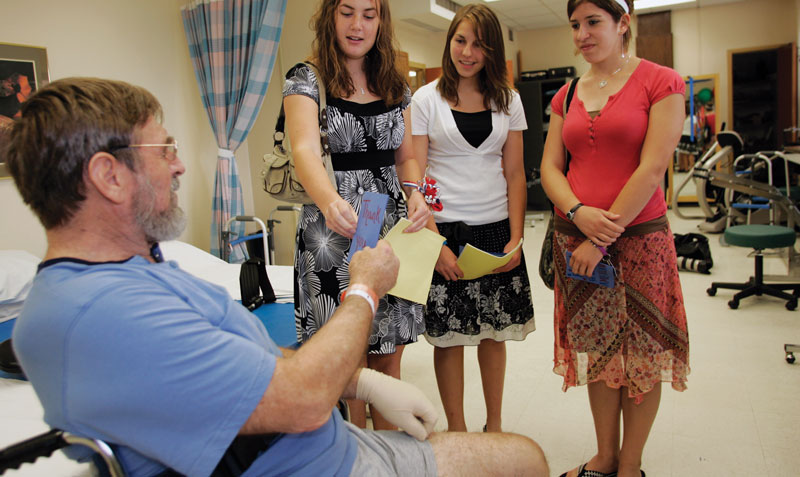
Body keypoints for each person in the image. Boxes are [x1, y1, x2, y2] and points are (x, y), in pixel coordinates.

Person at [6, 77, 549, 477]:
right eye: (165, 149)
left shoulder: (143, 272)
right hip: (311, 465)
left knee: (521, 455)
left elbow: (248, 365)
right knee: (523, 462)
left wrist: (361, 381)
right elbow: (304, 399)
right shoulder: (100, 314)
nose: (179, 165)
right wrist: (363, 288)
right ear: (109, 176)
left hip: (325, 446)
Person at [540, 0, 690, 477]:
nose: (582, 34)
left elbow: (651, 169)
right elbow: (550, 169)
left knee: (643, 356)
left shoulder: (661, 81)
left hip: (640, 242)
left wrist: (600, 237)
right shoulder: (566, 94)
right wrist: (578, 212)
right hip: (575, 240)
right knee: (600, 351)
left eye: (594, 22)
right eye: (575, 25)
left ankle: (631, 466)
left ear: (623, 24)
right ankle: (604, 458)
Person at [283, 0, 430, 429]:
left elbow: (406, 158)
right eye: (348, 12)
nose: (357, 25)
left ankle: (389, 458)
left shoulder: (395, 84)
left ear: (381, 21)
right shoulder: (307, 78)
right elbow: (304, 148)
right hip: (333, 228)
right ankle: (349, 455)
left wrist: (416, 193)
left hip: (387, 226)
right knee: (343, 362)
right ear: (331, 16)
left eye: (369, 14)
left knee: (387, 358)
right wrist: (329, 200)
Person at [411, 4, 534, 433]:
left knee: (493, 332)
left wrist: (516, 237)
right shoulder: (425, 98)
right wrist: (434, 242)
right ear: (449, 42)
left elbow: (515, 173)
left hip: (496, 228)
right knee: (449, 338)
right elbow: (418, 175)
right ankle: (459, 431)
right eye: (460, 40)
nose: (467, 51)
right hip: (444, 229)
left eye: (479, 44)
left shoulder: (509, 100)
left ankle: (494, 427)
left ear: (492, 50)